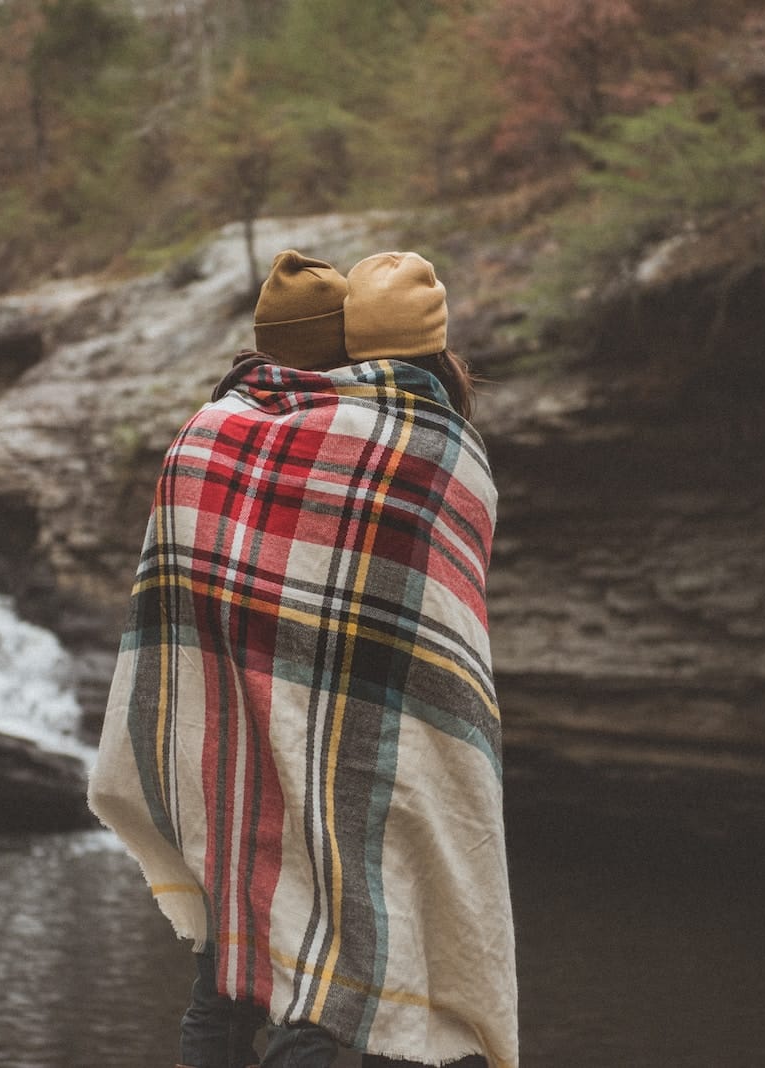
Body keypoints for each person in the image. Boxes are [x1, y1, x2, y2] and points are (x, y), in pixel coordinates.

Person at [88, 249, 517, 1068]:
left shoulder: (211, 430)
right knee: (333, 994)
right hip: (372, 763)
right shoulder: (435, 444)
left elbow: (179, 612)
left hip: (235, 758)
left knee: (224, 983)